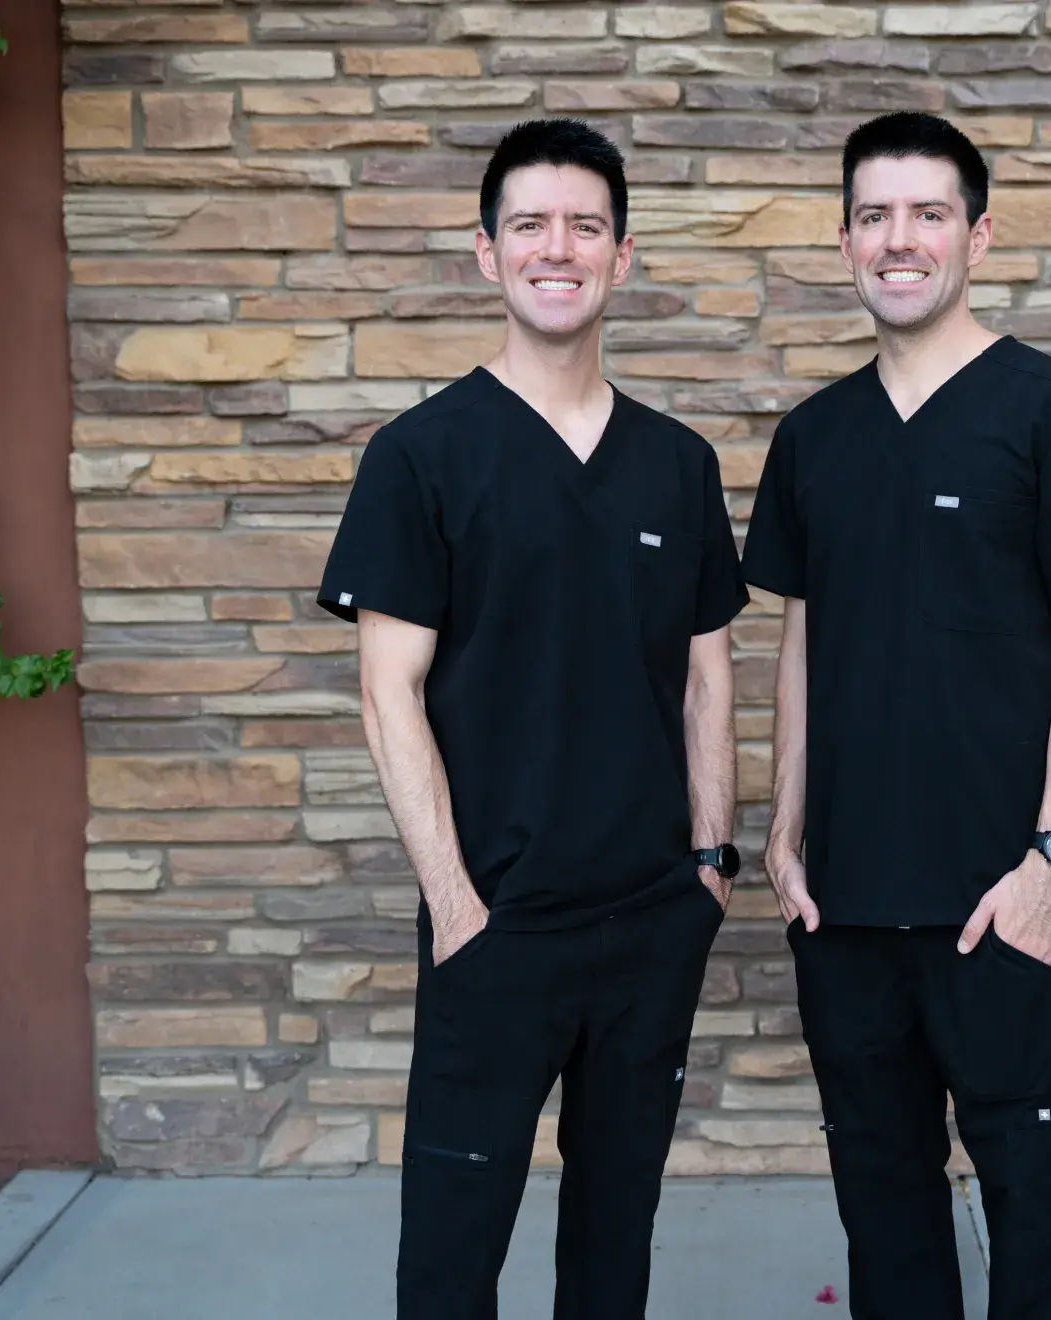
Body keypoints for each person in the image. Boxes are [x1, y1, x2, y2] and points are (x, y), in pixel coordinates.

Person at [740, 111, 1051, 1319]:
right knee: (880, 1199)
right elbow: (801, 635)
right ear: (843, 242)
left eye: (927, 213)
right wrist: (782, 830)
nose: (899, 238)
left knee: (1031, 1203)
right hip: (845, 897)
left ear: (976, 237)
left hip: (999, 894)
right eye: (873, 215)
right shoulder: (812, 437)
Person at [317, 118, 749, 1320]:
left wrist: (709, 861)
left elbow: (705, 673)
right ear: (485, 254)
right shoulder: (422, 456)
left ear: (621, 257)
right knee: (451, 1255)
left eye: (584, 227)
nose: (556, 249)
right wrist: (455, 902)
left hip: (652, 920)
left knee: (615, 1244)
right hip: (495, 927)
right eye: (529, 226)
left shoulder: (676, 462)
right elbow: (385, 688)